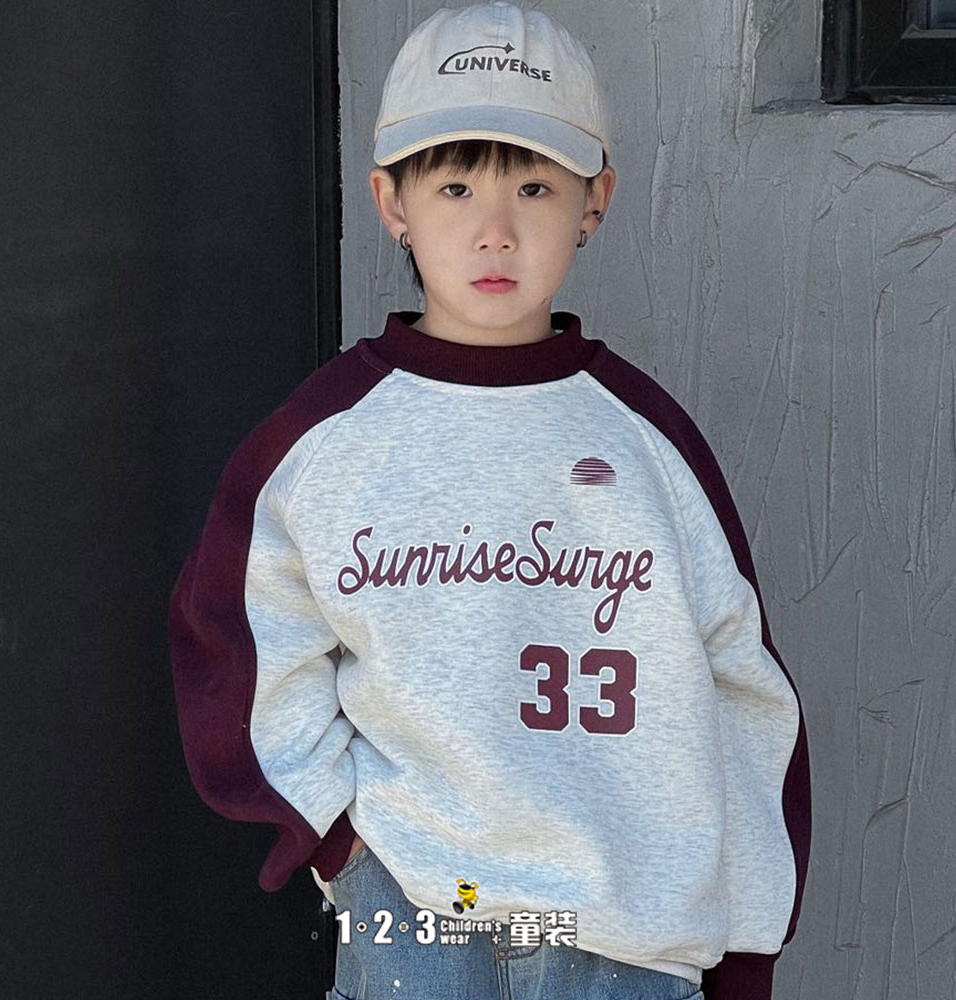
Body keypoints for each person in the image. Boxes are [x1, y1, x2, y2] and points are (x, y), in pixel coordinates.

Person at [168, 3, 812, 998]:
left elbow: (747, 700)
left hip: (626, 945)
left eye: (535, 187)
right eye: (456, 186)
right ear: (391, 201)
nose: (495, 230)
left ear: (594, 201)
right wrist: (333, 837)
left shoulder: (647, 446)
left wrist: (744, 948)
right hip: (415, 919)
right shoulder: (325, 442)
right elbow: (238, 642)